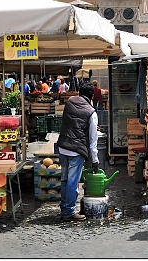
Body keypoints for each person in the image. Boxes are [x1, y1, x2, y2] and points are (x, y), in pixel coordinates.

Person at [54, 83, 99, 222]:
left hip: (63, 147)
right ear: (92, 96)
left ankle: (64, 208)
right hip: (76, 150)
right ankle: (69, 211)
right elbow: (93, 139)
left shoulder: (70, 102)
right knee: (73, 182)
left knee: (65, 179)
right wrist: (95, 159)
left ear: (79, 92)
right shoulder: (91, 112)